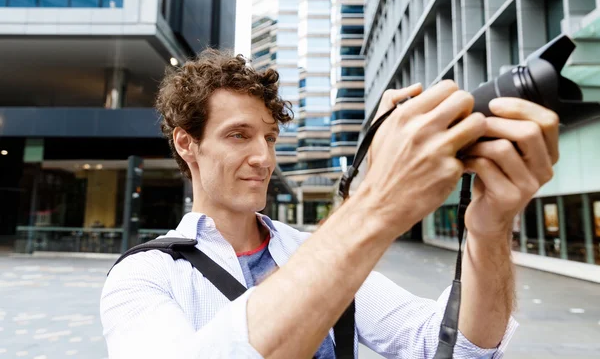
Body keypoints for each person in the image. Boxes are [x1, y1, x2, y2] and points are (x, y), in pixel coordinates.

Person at [100, 49, 559, 358]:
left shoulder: (309, 252)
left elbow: (454, 344)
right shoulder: (145, 276)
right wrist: (377, 200)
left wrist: (489, 228)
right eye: (239, 135)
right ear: (187, 143)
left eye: (270, 137)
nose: (263, 157)